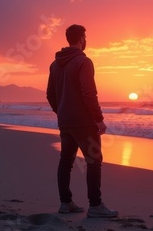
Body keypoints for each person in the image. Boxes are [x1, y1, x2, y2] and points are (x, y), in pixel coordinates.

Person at [46, 24, 118, 218]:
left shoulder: (55, 64)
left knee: (66, 162)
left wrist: (61, 111)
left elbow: (50, 94)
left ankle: (65, 203)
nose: (86, 40)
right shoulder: (83, 62)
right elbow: (89, 93)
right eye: (85, 37)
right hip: (84, 123)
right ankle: (95, 206)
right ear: (81, 39)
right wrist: (99, 119)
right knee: (94, 162)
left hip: (65, 122)